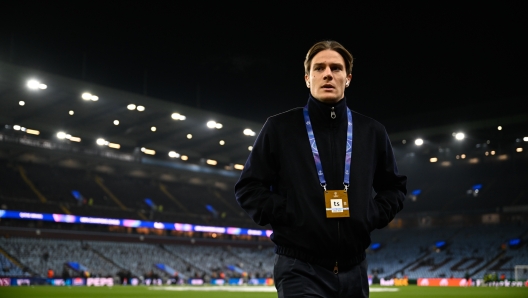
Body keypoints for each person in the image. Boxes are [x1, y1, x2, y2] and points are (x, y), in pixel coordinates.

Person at [235, 40, 407, 297]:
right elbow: (248, 187)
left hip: (355, 269)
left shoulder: (372, 132)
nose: (328, 73)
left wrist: (370, 214)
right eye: (319, 68)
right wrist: (291, 213)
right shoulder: (280, 128)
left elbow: (394, 188)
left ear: (347, 79)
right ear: (307, 78)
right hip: (299, 268)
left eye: (336, 68)